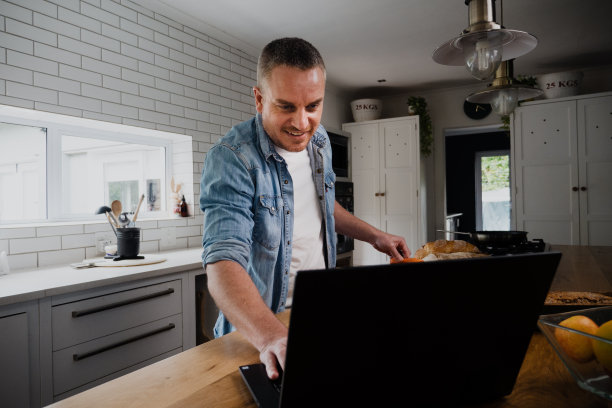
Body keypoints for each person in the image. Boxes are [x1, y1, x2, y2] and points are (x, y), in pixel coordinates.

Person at [200, 37, 410, 380]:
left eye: (313, 106)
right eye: (286, 107)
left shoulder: (320, 141)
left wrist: (376, 236)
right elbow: (223, 264)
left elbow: (322, 206)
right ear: (259, 99)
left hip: (320, 316)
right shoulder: (232, 159)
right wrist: (273, 337)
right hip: (261, 333)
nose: (302, 123)